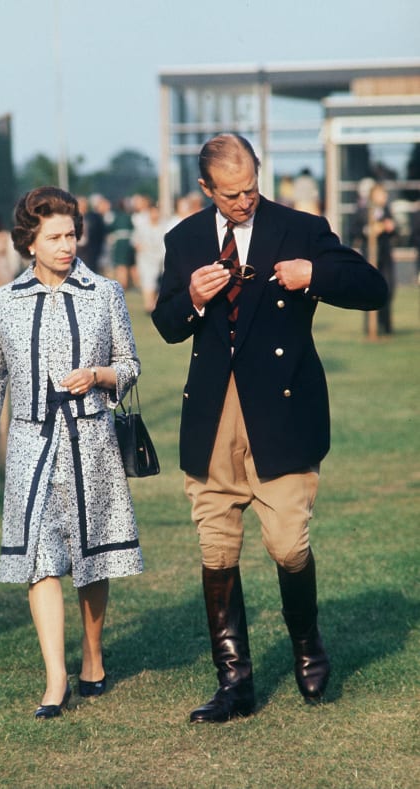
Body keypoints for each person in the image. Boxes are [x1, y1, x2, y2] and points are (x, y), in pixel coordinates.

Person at [151, 133, 388, 724]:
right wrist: (192, 300)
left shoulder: (301, 227)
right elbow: (165, 323)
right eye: (231, 194)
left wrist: (316, 274)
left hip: (282, 414)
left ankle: (307, 645)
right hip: (212, 416)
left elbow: (374, 288)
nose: (244, 201)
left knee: (287, 544)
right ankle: (235, 684)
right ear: (206, 188)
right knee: (216, 547)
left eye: (251, 187)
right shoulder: (182, 240)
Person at [0, 187, 143, 719]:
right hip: (28, 445)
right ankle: (55, 678)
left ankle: (92, 655)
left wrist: (98, 376)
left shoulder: (105, 292)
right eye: (56, 237)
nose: (68, 246)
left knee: (92, 555)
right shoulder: (6, 301)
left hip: (91, 440)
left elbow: (129, 365)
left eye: (72, 235)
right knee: (40, 557)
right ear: (30, 242)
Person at [351, 182, 396, 334]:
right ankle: (370, 328)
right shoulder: (363, 211)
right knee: (369, 290)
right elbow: (354, 230)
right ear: (373, 195)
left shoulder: (386, 211)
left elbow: (395, 232)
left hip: (385, 256)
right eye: (382, 194)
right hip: (369, 257)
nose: (385, 197)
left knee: (389, 289)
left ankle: (386, 326)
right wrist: (369, 230)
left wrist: (390, 227)